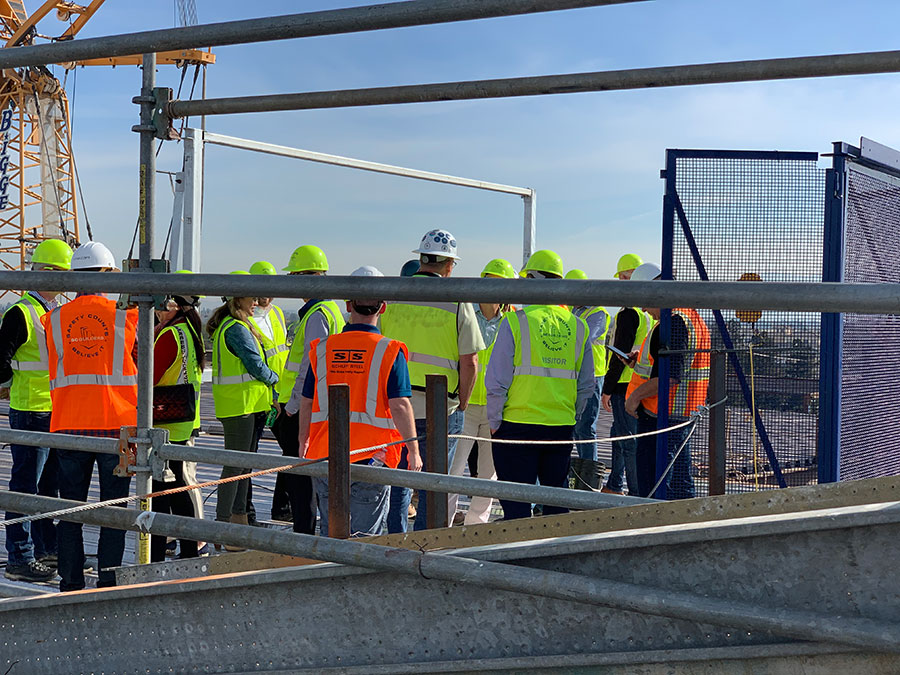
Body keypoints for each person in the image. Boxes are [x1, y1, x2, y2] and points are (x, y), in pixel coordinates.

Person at [298, 265, 423, 536]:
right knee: (366, 541)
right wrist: (413, 450)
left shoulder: (323, 348)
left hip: (324, 454)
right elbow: (400, 404)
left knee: (332, 533)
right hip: (372, 459)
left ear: (347, 304)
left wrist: (303, 442)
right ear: (383, 307)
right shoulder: (389, 350)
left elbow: (306, 401)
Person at [43, 241, 137, 591]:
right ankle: (109, 582)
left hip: (69, 425)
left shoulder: (53, 319)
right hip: (117, 428)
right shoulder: (124, 319)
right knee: (114, 514)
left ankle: (70, 582)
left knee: (70, 513)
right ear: (108, 274)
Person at [381, 229, 485, 532]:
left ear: (422, 258)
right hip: (441, 408)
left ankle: (393, 540)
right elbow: (470, 361)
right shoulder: (456, 300)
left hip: (397, 405)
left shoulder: (395, 294)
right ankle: (424, 543)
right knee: (433, 483)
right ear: (450, 265)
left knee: (398, 480)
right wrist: (463, 401)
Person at [485, 249, 594, 520]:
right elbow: (586, 385)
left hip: (517, 425)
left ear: (534, 278)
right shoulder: (578, 326)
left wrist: (494, 421)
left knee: (516, 505)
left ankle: (517, 559)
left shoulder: (516, 321)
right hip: (559, 427)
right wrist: (572, 415)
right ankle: (555, 556)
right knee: (556, 502)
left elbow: (497, 380)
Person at [1, 238, 71, 582]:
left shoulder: (52, 313)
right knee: (25, 488)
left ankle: (46, 549)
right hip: (30, 410)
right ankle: (20, 557)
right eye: (62, 275)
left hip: (53, 411)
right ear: (45, 274)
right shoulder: (21, 312)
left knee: (47, 488)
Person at [624, 262, 710, 500]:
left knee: (656, 487)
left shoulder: (674, 323)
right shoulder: (690, 317)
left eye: (643, 300)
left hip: (661, 417)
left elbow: (670, 377)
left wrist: (634, 398)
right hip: (681, 415)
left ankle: (659, 533)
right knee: (680, 484)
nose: (642, 309)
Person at [206, 272, 278, 549]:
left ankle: (238, 521)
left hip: (244, 405)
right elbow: (255, 365)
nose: (255, 303)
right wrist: (275, 380)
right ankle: (224, 524)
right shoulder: (235, 328)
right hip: (240, 407)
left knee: (242, 466)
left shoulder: (234, 324)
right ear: (239, 297)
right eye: (251, 297)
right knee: (235, 466)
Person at [277, 245, 345, 535]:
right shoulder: (328, 310)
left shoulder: (317, 314)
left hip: (305, 408)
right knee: (307, 474)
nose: (292, 282)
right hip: (320, 406)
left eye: (295, 275)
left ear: (310, 276)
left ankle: (303, 535)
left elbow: (310, 367)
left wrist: (292, 408)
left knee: (300, 477)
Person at [448, 258, 516, 525]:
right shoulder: (465, 313)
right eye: (494, 283)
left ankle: (476, 526)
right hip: (465, 405)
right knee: (453, 470)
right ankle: (444, 523)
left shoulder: (511, 321)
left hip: (495, 408)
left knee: (488, 474)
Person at [150, 273, 206, 561]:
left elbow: (148, 376)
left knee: (162, 491)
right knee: (178, 487)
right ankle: (187, 551)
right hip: (182, 420)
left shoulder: (170, 334)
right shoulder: (189, 330)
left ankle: (158, 554)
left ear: (172, 303)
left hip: (164, 422)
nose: (156, 308)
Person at [601, 253, 651, 495]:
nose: (620, 283)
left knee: (627, 441)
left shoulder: (628, 313)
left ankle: (635, 492)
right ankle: (613, 484)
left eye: (623, 277)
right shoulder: (645, 314)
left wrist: (607, 389)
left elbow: (618, 356)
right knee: (618, 434)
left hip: (624, 385)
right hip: (638, 382)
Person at [248, 260, 292, 523]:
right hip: (256, 396)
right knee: (246, 457)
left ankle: (283, 508)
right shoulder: (244, 318)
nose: (270, 294)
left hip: (279, 395)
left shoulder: (276, 313)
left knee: (291, 448)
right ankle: (246, 512)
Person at [566, 268, 611, 490]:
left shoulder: (598, 312)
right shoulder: (573, 309)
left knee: (586, 427)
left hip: (592, 377)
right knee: (573, 427)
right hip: (572, 374)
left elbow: (583, 337)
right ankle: (576, 478)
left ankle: (588, 482)